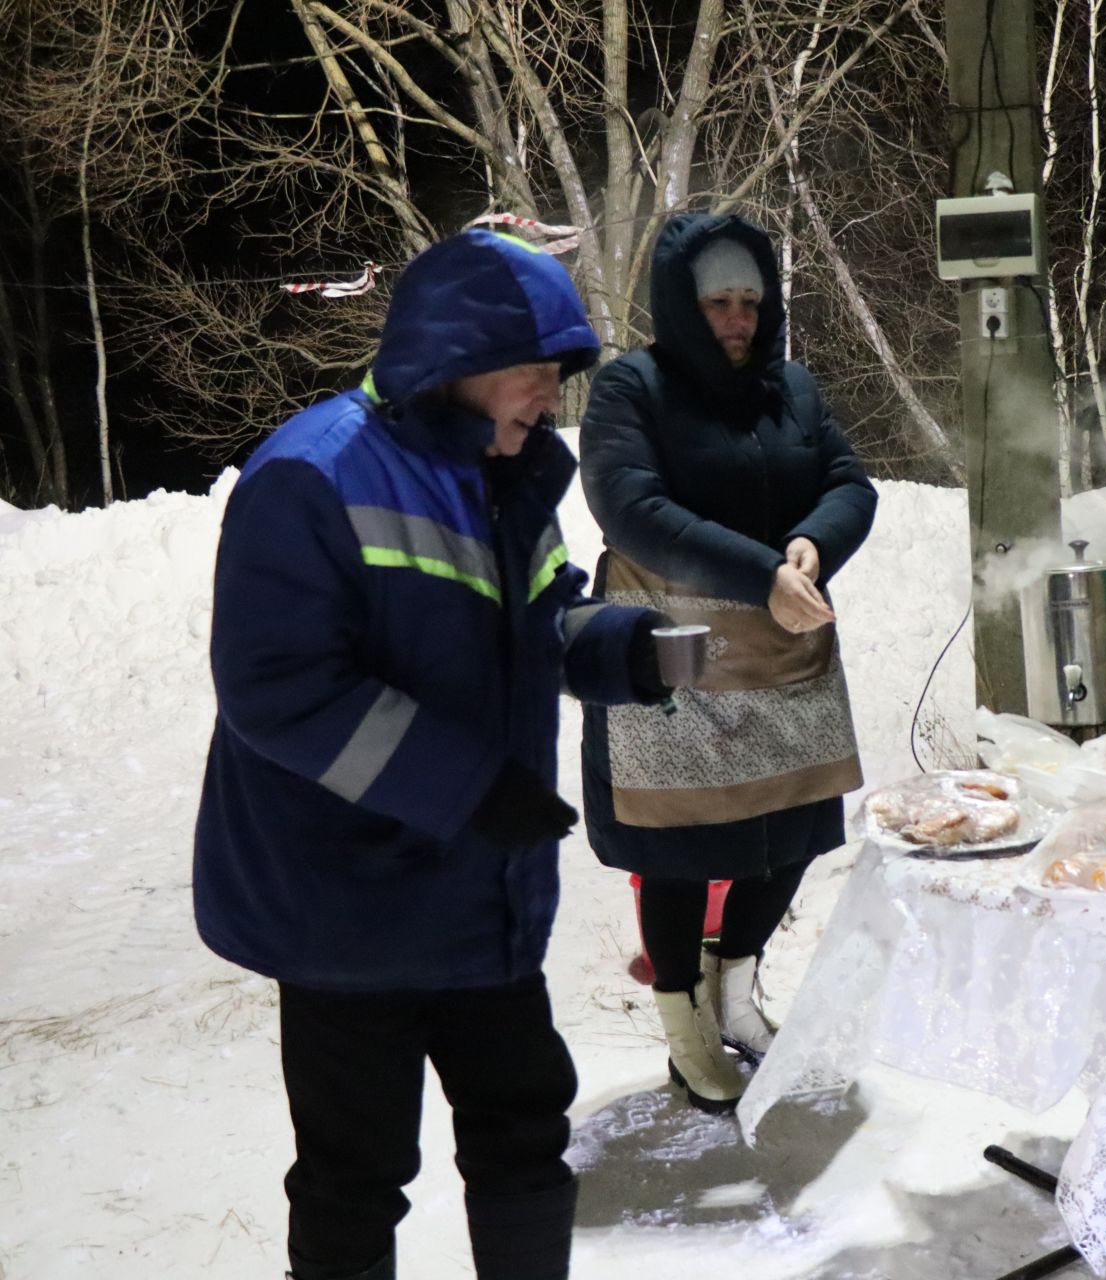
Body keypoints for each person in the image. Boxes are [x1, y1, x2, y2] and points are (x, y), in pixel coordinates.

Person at [194, 229, 674, 1280]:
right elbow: (278, 689)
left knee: (524, 1126)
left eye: (558, 374)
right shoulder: (310, 475)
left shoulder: (503, 476)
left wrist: (624, 647)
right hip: (346, 907)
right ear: (454, 361)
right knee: (355, 1166)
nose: (550, 397)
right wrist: (465, 787)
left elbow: (544, 616)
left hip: (479, 898)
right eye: (533, 373)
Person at [579, 212, 877, 1115]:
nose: (738, 319)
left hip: (787, 648)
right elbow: (631, 508)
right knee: (680, 849)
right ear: (683, 303)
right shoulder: (631, 387)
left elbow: (848, 482)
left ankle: (736, 994)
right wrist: (759, 574)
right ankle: (684, 1031)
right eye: (719, 303)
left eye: (750, 300)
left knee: (790, 831)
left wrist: (810, 549)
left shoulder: (792, 386)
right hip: (675, 658)